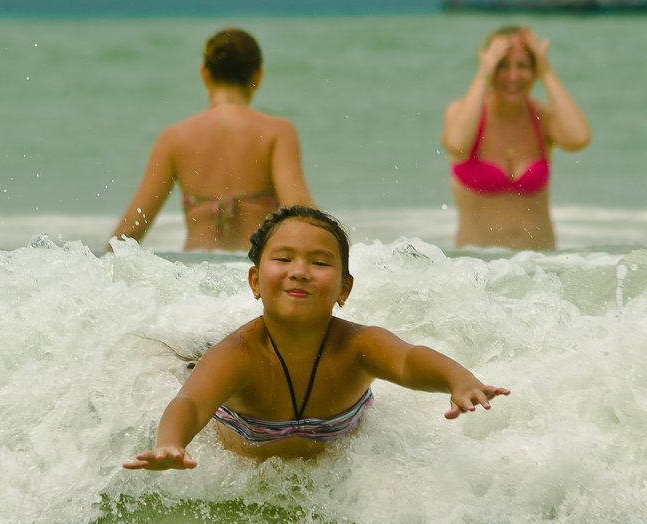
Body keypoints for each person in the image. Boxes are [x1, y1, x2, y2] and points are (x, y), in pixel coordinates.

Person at [123, 206, 510, 471]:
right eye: (283, 259)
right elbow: (191, 401)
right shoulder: (239, 355)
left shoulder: (359, 347)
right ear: (256, 281)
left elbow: (409, 360)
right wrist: (170, 443)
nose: (300, 271)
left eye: (320, 263)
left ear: (345, 288)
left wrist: (459, 380)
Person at [108, 29, 313, 253]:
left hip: (193, 272)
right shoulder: (277, 131)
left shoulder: (174, 137)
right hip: (251, 272)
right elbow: (300, 214)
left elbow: (131, 228)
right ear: (258, 76)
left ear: (204, 74)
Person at [441, 26, 591, 251]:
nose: (513, 76)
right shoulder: (461, 113)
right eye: (502, 65)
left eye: (523, 66)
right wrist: (482, 76)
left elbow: (578, 138)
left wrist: (547, 73)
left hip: (541, 269)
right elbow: (456, 145)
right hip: (476, 272)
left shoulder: (543, 118)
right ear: (489, 67)